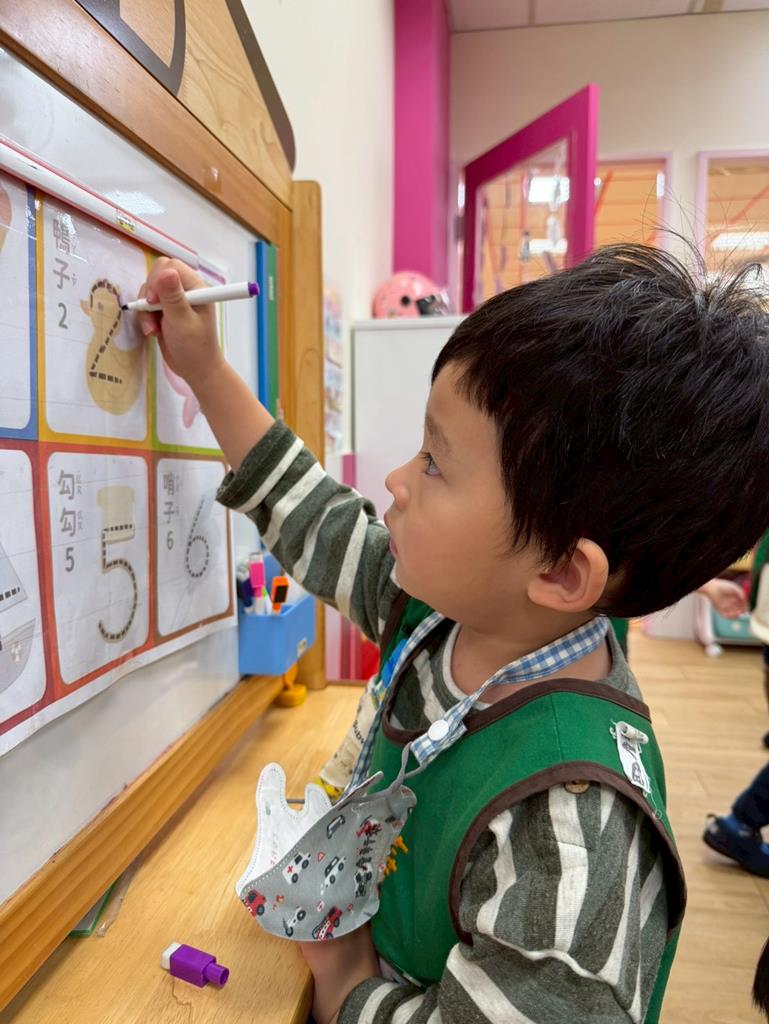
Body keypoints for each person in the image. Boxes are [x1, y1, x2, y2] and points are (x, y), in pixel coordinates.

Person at [138, 244, 769, 1024]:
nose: (396, 481)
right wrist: (205, 370)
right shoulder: (448, 614)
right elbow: (312, 518)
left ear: (561, 573)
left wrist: (349, 988)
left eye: (434, 463)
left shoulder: (568, 835)